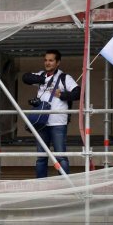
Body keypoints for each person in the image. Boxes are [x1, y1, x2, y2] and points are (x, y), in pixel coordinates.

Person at [22, 49, 81, 178]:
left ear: (58, 62)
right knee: (41, 157)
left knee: (60, 156)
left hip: (58, 122)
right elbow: (25, 77)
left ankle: (66, 185)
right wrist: (42, 79)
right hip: (41, 122)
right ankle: (41, 185)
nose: (47, 63)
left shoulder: (65, 78)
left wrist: (63, 95)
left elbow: (78, 93)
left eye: (51, 60)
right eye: (45, 60)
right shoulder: (41, 75)